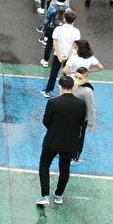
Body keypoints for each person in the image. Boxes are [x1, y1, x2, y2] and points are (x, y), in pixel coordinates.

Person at [36, 75, 88, 207]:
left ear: (60, 87)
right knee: (65, 167)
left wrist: (53, 129)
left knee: (44, 164)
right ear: (73, 87)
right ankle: (59, 195)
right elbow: (82, 122)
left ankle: (45, 195)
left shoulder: (53, 102)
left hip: (52, 139)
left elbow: (46, 121)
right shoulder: (81, 104)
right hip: (71, 141)